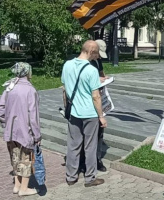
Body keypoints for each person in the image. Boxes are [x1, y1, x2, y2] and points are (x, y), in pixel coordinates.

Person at [61, 40, 107, 187]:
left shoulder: (67, 65)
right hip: (90, 114)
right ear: (91, 52)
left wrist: (66, 108)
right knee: (90, 146)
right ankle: (90, 178)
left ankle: (71, 177)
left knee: (73, 145)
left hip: (73, 112)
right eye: (96, 54)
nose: (97, 57)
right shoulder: (91, 70)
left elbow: (64, 90)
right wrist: (101, 116)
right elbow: (96, 96)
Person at [0, 62, 41, 197]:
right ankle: (24, 189)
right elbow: (33, 116)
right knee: (26, 159)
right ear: (27, 72)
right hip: (25, 131)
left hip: (10, 131)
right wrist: (37, 135)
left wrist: (8, 122)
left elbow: (0, 111)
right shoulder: (30, 90)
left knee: (15, 158)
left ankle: (16, 186)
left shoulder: (9, 87)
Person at [79, 39, 109, 172]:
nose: (98, 57)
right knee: (85, 136)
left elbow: (101, 73)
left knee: (99, 133)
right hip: (88, 103)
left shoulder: (97, 61)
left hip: (98, 99)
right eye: (97, 54)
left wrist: (104, 78)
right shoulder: (84, 62)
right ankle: (83, 162)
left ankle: (97, 160)